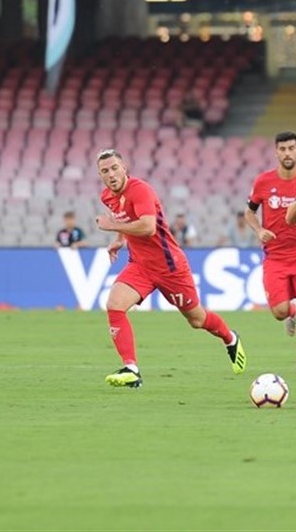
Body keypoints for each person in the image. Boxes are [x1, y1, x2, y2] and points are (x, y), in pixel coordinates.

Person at [94, 149, 245, 388]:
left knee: (196, 319)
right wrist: (119, 240)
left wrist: (112, 226)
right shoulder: (107, 196)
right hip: (140, 265)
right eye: (105, 171)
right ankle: (131, 369)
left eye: (114, 168)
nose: (111, 174)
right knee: (114, 305)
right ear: (100, 175)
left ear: (124, 168)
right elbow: (124, 217)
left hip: (169, 267)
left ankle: (230, 337)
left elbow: (148, 227)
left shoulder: (140, 190)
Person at [245, 131, 296, 374]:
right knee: (279, 312)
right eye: (283, 149)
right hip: (275, 257)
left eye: (291, 148)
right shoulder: (263, 182)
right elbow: (249, 212)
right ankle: (290, 313)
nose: (287, 153)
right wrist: (259, 230)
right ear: (276, 152)